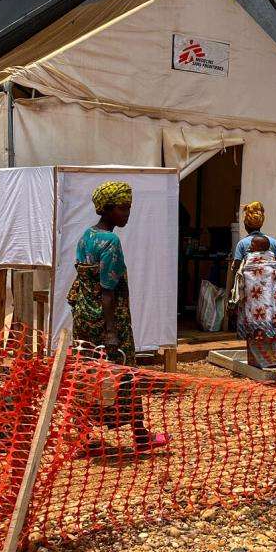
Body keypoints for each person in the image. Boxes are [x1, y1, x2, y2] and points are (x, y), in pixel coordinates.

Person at [67, 180, 168, 452]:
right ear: (108, 209)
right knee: (126, 375)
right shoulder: (110, 241)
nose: (127, 214)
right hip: (109, 320)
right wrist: (111, 330)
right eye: (123, 209)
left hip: (84, 318)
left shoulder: (86, 236)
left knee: (88, 375)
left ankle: (83, 434)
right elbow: (107, 290)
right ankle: (140, 435)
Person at [227, 201, 276, 315]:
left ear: (245, 225)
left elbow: (235, 269)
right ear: (261, 223)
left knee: (249, 321)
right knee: (270, 318)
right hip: (269, 294)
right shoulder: (273, 243)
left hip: (249, 295)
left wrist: (230, 295)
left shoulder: (242, 244)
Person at [234, 234, 276, 373]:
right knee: (275, 334)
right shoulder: (272, 258)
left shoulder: (250, 259)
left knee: (254, 332)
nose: (250, 246)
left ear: (260, 247)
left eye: (253, 245)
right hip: (272, 307)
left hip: (255, 307)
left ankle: (257, 364)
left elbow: (244, 274)